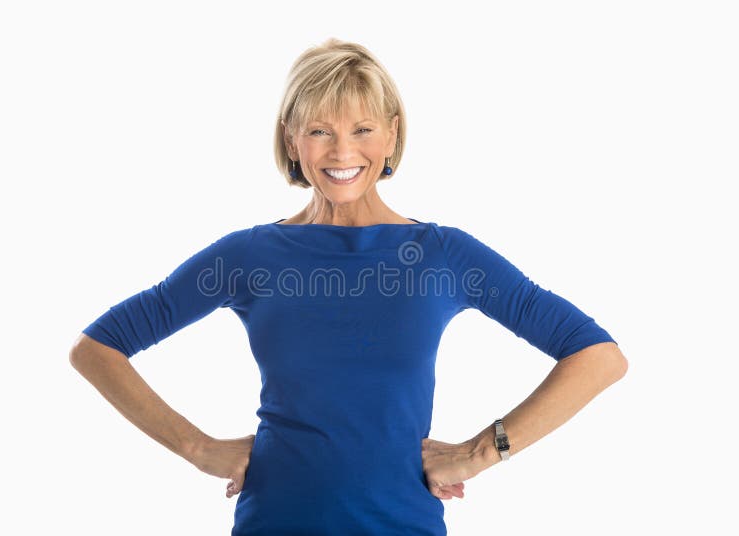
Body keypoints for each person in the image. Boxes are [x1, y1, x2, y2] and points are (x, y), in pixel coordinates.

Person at [70, 38, 628, 535]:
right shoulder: (249, 256)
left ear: (391, 135)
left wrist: (484, 450)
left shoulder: (443, 255)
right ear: (292, 140)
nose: (342, 152)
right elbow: (98, 348)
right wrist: (197, 448)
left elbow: (597, 356)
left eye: (362, 129)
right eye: (320, 131)